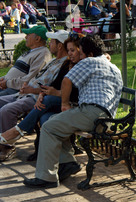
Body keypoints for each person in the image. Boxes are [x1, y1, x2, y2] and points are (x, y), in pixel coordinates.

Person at [23, 35, 123, 188]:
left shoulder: (89, 61)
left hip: (92, 113)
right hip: (108, 120)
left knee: (49, 127)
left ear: (89, 54)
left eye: (81, 53)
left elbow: (66, 80)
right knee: (54, 123)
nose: (79, 57)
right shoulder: (114, 67)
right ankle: (68, 163)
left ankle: (46, 177)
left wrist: (64, 104)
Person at [0, 34, 82, 163]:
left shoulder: (66, 65)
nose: (49, 44)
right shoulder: (54, 61)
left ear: (60, 46)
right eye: (69, 50)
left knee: (8, 109)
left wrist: (34, 91)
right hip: (31, 95)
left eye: (52, 42)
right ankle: (14, 135)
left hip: (39, 97)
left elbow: (57, 90)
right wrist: (29, 88)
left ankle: (8, 145)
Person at [0, 25, 51, 97]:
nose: (25, 37)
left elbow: (30, 79)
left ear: (37, 39)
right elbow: (15, 71)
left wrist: (7, 83)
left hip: (15, 90)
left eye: (28, 35)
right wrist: (3, 79)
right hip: (7, 86)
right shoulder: (32, 51)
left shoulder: (43, 54)